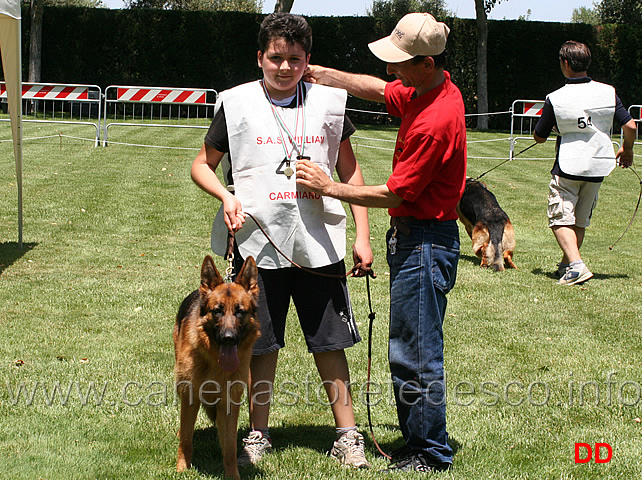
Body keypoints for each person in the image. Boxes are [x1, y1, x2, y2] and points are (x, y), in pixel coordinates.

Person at [190, 12, 373, 469]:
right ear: (260, 57)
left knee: (329, 341)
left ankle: (347, 435)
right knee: (259, 343)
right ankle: (258, 432)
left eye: (294, 58)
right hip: (256, 248)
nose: (285, 67)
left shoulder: (330, 103)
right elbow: (201, 165)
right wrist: (225, 195)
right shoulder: (236, 104)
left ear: (307, 59)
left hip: (319, 244)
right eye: (276, 58)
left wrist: (363, 234)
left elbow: (350, 172)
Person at [298, 12, 466, 473]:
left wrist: (329, 186)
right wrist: (324, 75)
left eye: (400, 64)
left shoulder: (436, 119)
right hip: (416, 240)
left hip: (425, 243)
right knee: (409, 347)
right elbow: (376, 88)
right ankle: (419, 442)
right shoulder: (427, 88)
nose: (393, 71)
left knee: (416, 354)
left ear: (426, 64)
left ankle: (430, 453)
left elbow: (393, 192)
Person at [534, 40, 636, 285]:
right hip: (599, 164)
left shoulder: (556, 97)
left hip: (568, 164)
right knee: (580, 219)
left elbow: (539, 136)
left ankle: (577, 266)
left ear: (565, 63)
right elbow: (630, 125)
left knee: (559, 217)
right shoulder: (607, 91)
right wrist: (627, 149)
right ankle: (567, 264)